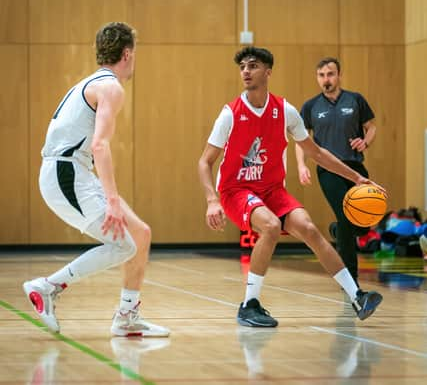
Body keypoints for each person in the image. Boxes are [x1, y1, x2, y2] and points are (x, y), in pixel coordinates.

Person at [198, 46, 383, 327]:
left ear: (268, 72)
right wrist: (212, 200)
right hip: (237, 191)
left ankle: (356, 296)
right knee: (271, 226)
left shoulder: (285, 111)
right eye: (243, 67)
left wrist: (357, 178)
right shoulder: (230, 114)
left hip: (272, 190)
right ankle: (249, 304)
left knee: (309, 228)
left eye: (253, 66)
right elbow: (204, 162)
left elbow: (317, 153)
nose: (246, 71)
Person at [23, 22, 169, 337]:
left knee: (140, 234)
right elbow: (99, 145)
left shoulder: (92, 83)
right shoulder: (111, 88)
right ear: (128, 53)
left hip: (73, 171)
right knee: (121, 245)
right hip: (66, 173)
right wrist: (112, 201)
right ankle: (47, 287)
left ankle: (126, 316)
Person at [295, 57, 376, 284]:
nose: (326, 79)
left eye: (330, 74)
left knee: (362, 224)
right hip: (328, 171)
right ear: (317, 78)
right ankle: (351, 280)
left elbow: (372, 127)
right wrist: (302, 165)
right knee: (345, 216)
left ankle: (337, 230)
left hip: (356, 167)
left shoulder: (356, 100)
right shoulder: (311, 107)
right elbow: (300, 140)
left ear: (339, 75)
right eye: (321, 75)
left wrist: (365, 142)